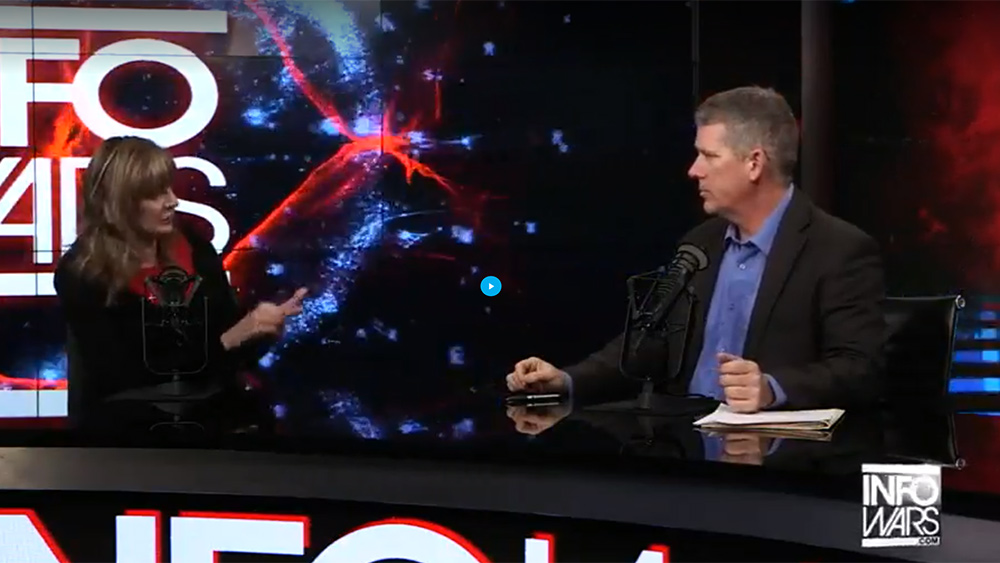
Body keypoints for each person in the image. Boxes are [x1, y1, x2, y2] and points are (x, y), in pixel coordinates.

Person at [506, 86, 886, 418]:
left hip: (779, 459)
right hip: (682, 445)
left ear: (754, 163)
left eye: (709, 156)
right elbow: (647, 345)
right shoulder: (699, 243)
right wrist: (567, 380)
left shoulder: (839, 250)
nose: (694, 170)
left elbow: (860, 369)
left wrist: (771, 388)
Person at [55, 136, 306, 427]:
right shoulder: (82, 274)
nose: (172, 201)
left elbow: (229, 347)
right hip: (131, 428)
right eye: (155, 194)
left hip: (213, 414)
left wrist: (262, 329)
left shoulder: (196, 250)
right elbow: (123, 373)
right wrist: (230, 339)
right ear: (117, 204)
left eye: (169, 188)